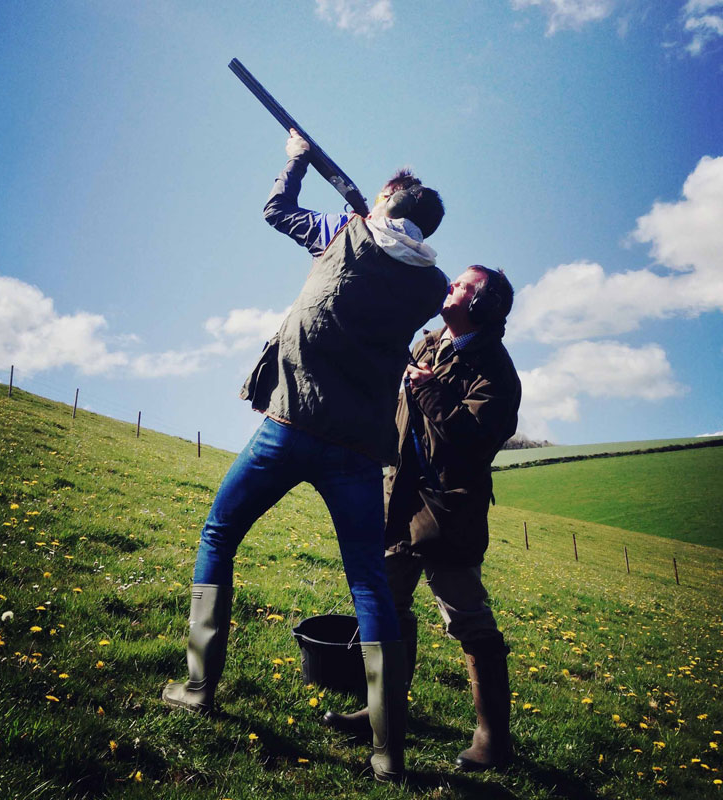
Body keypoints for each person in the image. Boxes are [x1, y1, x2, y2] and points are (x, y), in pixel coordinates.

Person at [162, 130, 449, 782]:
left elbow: (275, 211)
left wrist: (294, 161)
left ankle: (200, 688)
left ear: (386, 202)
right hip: (356, 449)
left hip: (290, 424)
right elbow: (443, 294)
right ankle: (387, 752)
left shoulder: (342, 230)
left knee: (218, 533)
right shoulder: (432, 284)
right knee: (370, 585)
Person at [323, 265, 522, 773]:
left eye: (461, 285)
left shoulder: (496, 370)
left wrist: (430, 391)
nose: (449, 287)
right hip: (398, 499)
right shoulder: (427, 343)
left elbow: (475, 441)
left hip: (448, 510)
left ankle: (492, 737)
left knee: (467, 619)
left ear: (482, 304)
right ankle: (380, 711)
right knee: (387, 609)